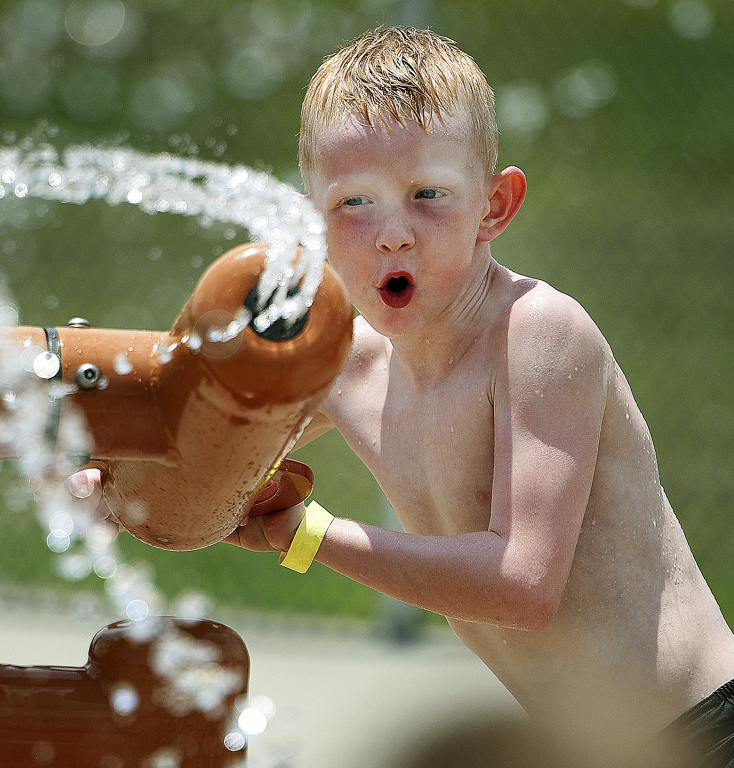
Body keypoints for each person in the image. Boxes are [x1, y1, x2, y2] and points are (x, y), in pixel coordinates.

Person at [66, 26, 734, 765]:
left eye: (428, 196)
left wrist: (307, 536)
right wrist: (109, 467)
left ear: (495, 204)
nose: (393, 235)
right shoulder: (342, 365)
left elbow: (523, 584)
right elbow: (196, 462)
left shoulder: (537, 334)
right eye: (355, 202)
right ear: (308, 222)